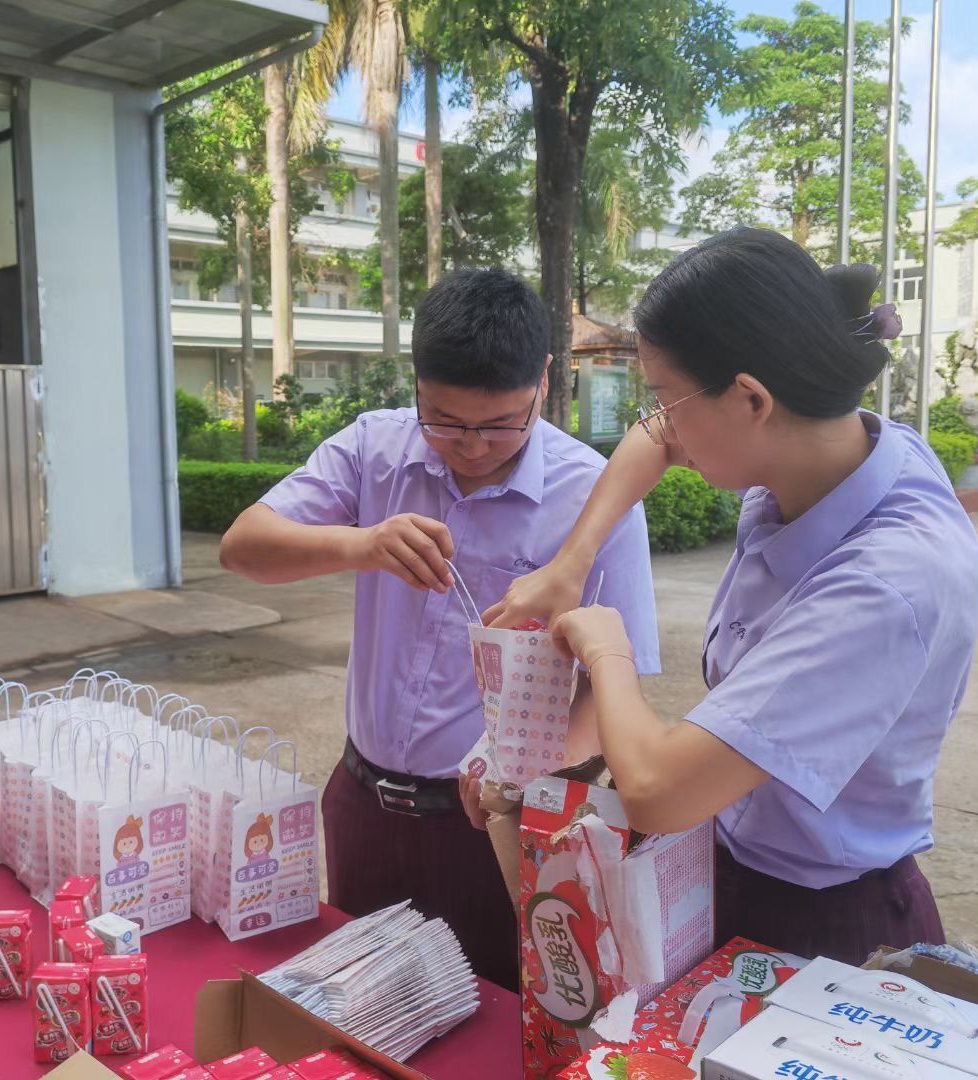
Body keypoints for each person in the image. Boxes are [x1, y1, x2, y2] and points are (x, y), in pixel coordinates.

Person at [475, 228, 978, 965]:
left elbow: (659, 790)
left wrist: (608, 649)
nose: (658, 423)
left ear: (750, 398)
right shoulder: (833, 450)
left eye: (665, 397)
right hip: (729, 869)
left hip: (826, 927)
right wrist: (570, 563)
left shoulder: (885, 582)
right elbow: (658, 441)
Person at [219, 268, 660, 988]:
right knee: (351, 1007)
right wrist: (360, 543)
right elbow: (243, 547)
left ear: (544, 380)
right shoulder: (376, 448)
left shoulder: (592, 494)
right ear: (416, 383)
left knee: (490, 1016)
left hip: (489, 827)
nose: (473, 446)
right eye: (445, 420)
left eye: (502, 423)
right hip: (363, 805)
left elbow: (615, 681)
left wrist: (526, 781)